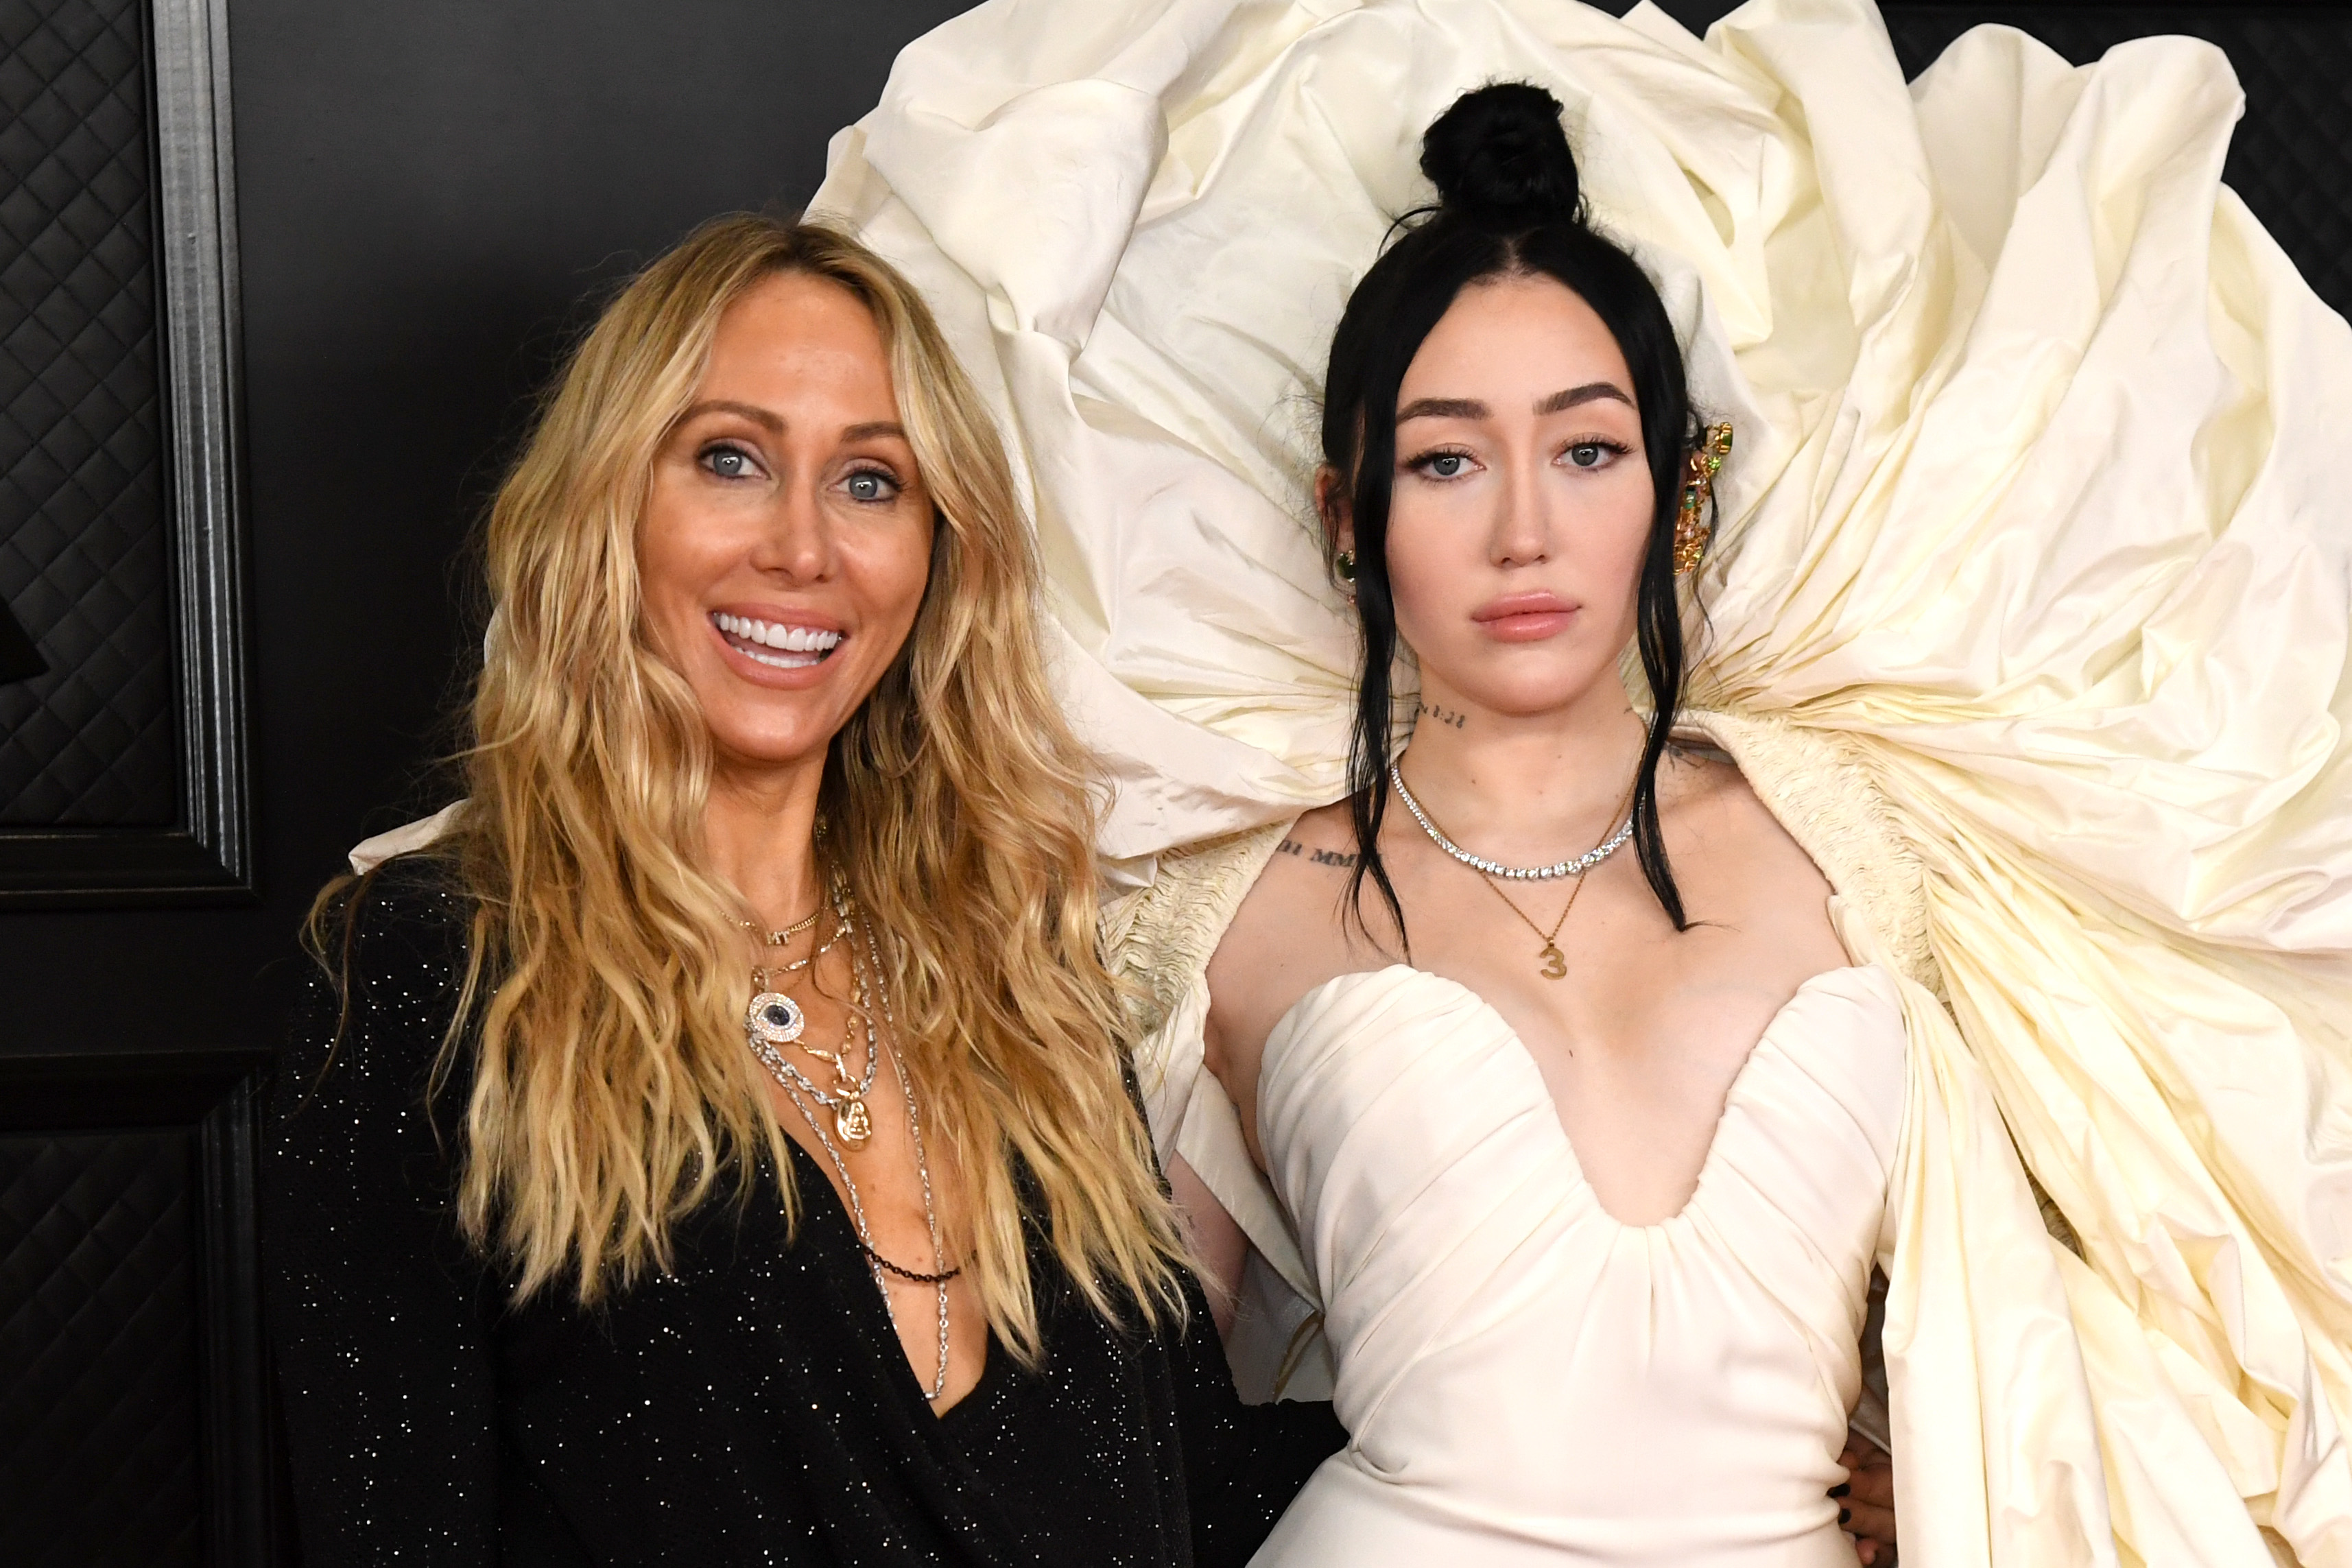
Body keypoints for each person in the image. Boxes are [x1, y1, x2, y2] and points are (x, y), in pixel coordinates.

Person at [816, 1, 2352, 1565]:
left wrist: (1977, 1461)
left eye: (1586, 450)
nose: (1522, 533)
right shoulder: (1230, 915)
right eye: (1446, 460)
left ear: (1677, 492)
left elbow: (2106, 1268)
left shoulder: (1859, 845)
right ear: (1346, 518)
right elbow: (1128, 1459)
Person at [263, 214, 1345, 1567]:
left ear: (936, 552)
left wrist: (1516, 1430)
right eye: (731, 459)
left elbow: (1184, 1487)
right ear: (609, 506)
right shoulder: (439, 967)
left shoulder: (1023, 976)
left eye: (870, 482)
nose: (802, 546)